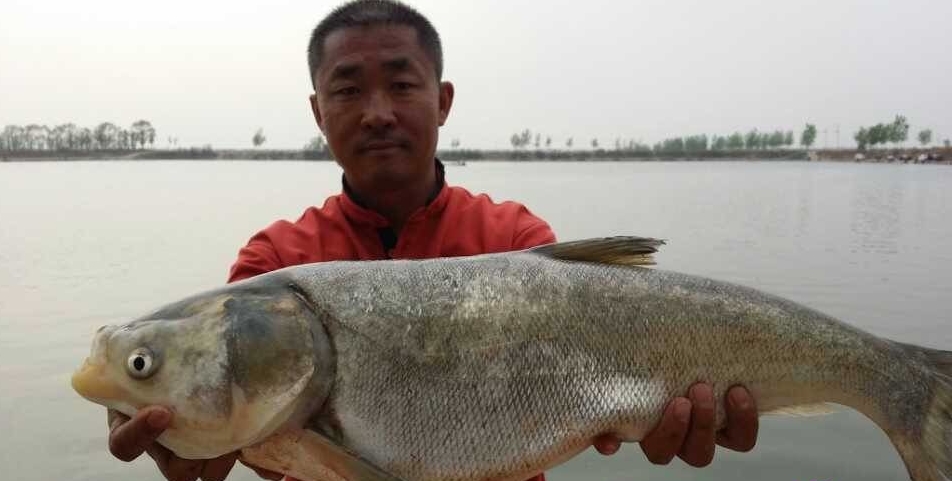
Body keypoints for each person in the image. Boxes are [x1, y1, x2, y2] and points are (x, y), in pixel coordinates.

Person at [105, 1, 759, 480]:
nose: (378, 111)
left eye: (402, 83)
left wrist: (664, 414)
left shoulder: (516, 241)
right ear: (317, 112)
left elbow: (600, 405)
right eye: (349, 89)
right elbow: (244, 436)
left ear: (442, 100)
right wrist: (184, 433)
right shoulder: (272, 266)